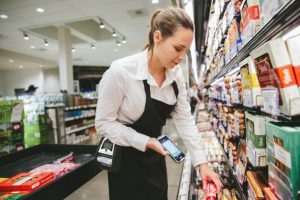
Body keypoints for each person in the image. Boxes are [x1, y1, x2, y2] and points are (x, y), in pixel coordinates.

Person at [95, 7, 222, 200]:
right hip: (126, 163)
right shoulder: (121, 72)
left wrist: (202, 163)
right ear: (157, 37)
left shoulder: (176, 75)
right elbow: (103, 124)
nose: (181, 57)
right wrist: (145, 141)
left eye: (186, 51)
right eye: (178, 48)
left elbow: (185, 120)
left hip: (156, 158)